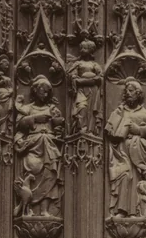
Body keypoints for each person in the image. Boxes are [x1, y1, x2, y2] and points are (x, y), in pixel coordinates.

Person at [14, 75, 65, 219]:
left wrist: (59, 126)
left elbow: (59, 127)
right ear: (35, 90)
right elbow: (19, 125)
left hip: (49, 145)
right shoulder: (27, 109)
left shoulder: (53, 109)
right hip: (33, 145)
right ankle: (28, 209)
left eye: (48, 91)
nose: (46, 94)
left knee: (50, 174)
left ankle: (44, 210)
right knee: (34, 172)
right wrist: (36, 118)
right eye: (43, 90)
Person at [105, 78, 146, 219]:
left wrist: (137, 130)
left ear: (138, 93)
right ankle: (122, 210)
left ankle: (136, 212)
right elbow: (110, 131)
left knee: (136, 180)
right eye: (126, 91)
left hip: (138, 153)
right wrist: (117, 116)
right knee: (124, 177)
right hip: (121, 152)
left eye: (131, 91)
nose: (128, 93)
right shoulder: (120, 111)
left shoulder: (145, 113)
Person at [67, 40, 103, 136]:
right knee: (81, 107)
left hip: (93, 91)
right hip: (81, 90)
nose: (82, 50)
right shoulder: (78, 64)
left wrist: (83, 81)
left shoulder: (95, 65)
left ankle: (90, 130)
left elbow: (100, 77)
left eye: (85, 48)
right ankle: (81, 129)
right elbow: (72, 77)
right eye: (81, 48)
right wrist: (90, 81)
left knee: (91, 111)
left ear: (91, 50)